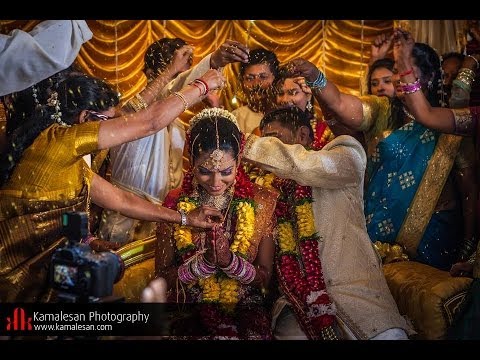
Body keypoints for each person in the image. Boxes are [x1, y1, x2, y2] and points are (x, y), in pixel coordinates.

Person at [0, 70, 225, 303]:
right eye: (108, 121)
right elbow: (149, 123)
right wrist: (202, 85)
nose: (115, 128)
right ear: (85, 118)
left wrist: (186, 218)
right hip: (16, 281)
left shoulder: (69, 159)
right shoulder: (59, 142)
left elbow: (121, 200)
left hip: (47, 275)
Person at [283, 42, 477, 271]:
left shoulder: (449, 124)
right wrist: (315, 76)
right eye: (396, 70)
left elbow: (470, 193)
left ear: (430, 76)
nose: (399, 78)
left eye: (407, 70)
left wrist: (469, 250)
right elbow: (339, 103)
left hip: (435, 238)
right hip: (375, 234)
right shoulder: (382, 111)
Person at [244, 106, 413, 340]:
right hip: (297, 305)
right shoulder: (268, 191)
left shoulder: (346, 155)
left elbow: (300, 165)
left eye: (274, 140)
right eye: (266, 142)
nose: (271, 150)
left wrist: (247, 144)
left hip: (359, 297)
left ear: (303, 135)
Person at [98, 39, 249, 244]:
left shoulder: (177, 126)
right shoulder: (131, 117)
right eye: (179, 73)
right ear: (153, 74)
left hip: (168, 221)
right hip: (126, 225)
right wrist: (211, 61)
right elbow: (168, 91)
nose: (187, 88)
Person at [155, 107, 278, 339]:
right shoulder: (174, 201)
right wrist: (204, 264)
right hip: (187, 304)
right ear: (191, 161)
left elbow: (265, 278)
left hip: (244, 307)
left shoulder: (261, 200)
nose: (215, 182)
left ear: (239, 160)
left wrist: (229, 262)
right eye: (204, 171)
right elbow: (162, 275)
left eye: (226, 171)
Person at [232, 48, 279, 134]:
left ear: (275, 79)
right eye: (250, 78)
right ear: (242, 83)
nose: (256, 84)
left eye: (263, 77)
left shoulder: (287, 113)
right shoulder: (235, 118)